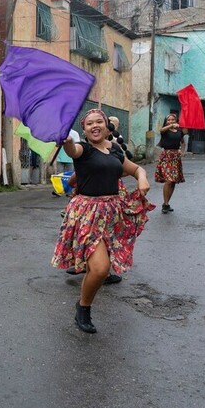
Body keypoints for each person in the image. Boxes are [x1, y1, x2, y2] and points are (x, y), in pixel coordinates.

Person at [52, 109, 151, 334]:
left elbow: (136, 168)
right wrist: (67, 141)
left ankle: (84, 303)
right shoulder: (83, 150)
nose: (95, 126)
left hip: (112, 214)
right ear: (84, 130)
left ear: (107, 126)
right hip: (88, 214)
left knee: (98, 267)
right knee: (100, 269)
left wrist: (142, 178)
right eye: (89, 124)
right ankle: (83, 307)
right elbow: (73, 150)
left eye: (99, 122)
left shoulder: (114, 149)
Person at [154, 112, 187, 214]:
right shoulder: (165, 131)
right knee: (169, 180)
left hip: (176, 157)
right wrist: (170, 126)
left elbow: (183, 142)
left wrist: (182, 151)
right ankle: (165, 203)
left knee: (173, 181)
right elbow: (161, 130)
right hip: (166, 156)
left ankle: (167, 204)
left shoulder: (179, 131)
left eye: (173, 120)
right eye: (169, 120)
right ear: (166, 122)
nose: (171, 121)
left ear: (176, 120)